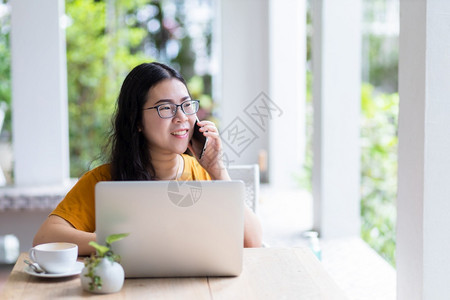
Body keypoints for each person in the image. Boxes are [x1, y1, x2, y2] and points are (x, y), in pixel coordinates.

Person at [33, 62, 263, 254]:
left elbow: (251, 242)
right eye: (166, 108)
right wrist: (114, 242)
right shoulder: (103, 180)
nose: (182, 117)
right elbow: (45, 238)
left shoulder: (204, 173)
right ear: (136, 121)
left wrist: (219, 170)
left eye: (186, 105)